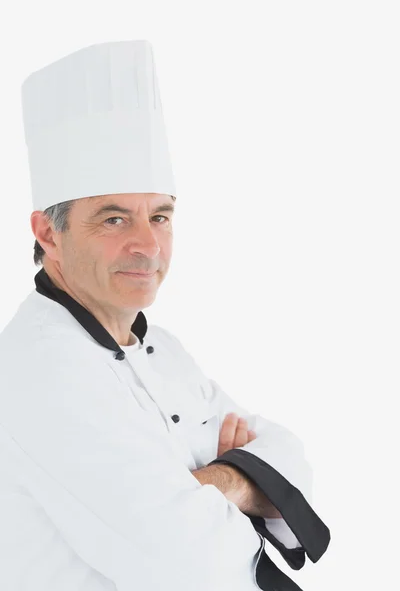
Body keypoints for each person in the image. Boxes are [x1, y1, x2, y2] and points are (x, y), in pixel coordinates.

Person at [0, 40, 330, 591]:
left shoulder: (165, 351)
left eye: (160, 215)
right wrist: (244, 482)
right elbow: (182, 560)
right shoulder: (41, 370)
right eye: (113, 220)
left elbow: (290, 455)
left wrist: (202, 486)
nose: (147, 245)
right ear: (47, 234)